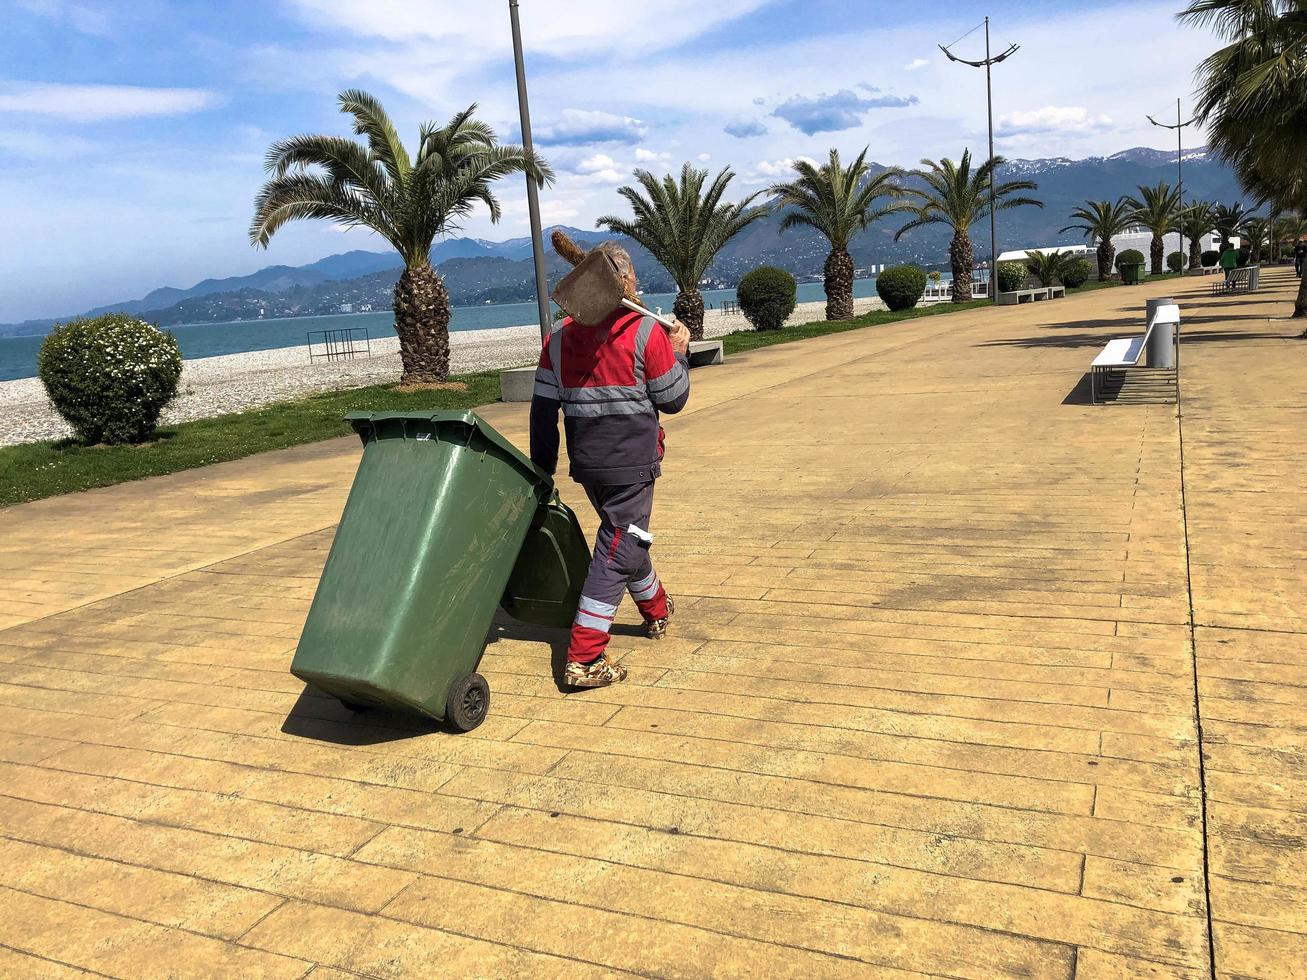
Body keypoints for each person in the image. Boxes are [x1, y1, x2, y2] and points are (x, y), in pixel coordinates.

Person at [530, 244, 692, 688]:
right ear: (622, 282)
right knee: (619, 546)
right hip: (633, 464)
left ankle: (657, 610)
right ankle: (585, 656)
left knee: (625, 538)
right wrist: (679, 351)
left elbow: (542, 413)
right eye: (633, 275)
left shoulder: (558, 340)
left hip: (589, 466)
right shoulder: (645, 332)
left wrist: (540, 469)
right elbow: (673, 399)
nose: (636, 283)